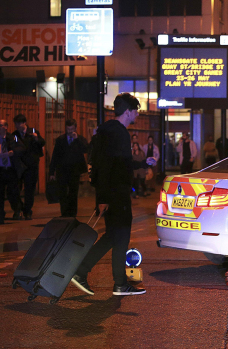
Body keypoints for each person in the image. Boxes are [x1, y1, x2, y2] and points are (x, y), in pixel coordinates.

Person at [70, 93, 155, 296]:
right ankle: (118, 283)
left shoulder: (106, 132)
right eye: (135, 111)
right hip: (116, 194)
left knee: (112, 237)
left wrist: (143, 163)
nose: (136, 114)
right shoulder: (119, 134)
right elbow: (109, 167)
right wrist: (105, 198)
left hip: (111, 193)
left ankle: (84, 272)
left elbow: (109, 165)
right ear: (128, 111)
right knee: (121, 235)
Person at [48, 119, 89, 217]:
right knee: (62, 192)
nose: (70, 131)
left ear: (75, 128)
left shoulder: (80, 139)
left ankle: (72, 213)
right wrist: (51, 172)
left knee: (73, 192)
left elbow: (86, 149)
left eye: (71, 129)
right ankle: (64, 213)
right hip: (62, 170)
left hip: (75, 170)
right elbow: (55, 156)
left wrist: (77, 139)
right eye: (68, 129)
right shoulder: (60, 140)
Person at [12, 114, 45, 220]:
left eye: (19, 123)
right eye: (16, 124)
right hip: (19, 165)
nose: (17, 126)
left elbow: (42, 142)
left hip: (31, 165)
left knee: (29, 190)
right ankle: (19, 208)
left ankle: (27, 211)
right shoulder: (15, 134)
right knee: (15, 189)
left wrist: (36, 138)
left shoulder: (33, 131)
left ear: (24, 123)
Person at [0, 119, 23, 224]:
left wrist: (13, 152)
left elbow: (21, 147)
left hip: (10, 169)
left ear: (6, 127)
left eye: (1, 125)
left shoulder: (13, 137)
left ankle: (17, 210)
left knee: (13, 192)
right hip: (0, 169)